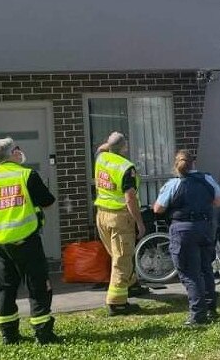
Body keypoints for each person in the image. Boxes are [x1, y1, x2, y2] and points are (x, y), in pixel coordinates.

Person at [0, 138, 59, 345]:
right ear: (13, 154)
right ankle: (43, 334)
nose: (20, 152)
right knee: (37, 285)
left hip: (1, 245)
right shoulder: (27, 175)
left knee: (5, 288)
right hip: (27, 240)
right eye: (18, 149)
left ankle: (9, 335)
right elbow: (48, 202)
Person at [154, 150, 220, 325]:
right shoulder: (207, 179)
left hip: (183, 230)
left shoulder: (174, 183)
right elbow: (219, 202)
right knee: (205, 268)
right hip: (205, 228)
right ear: (194, 163)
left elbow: (158, 208)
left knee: (189, 273)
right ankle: (210, 308)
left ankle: (198, 315)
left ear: (176, 165)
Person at [94, 131, 148, 316]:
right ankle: (116, 303)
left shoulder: (101, 158)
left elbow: (101, 148)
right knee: (122, 258)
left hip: (102, 215)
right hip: (119, 217)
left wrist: (110, 143)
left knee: (116, 254)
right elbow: (130, 198)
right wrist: (139, 222)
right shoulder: (126, 167)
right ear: (124, 147)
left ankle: (131, 284)